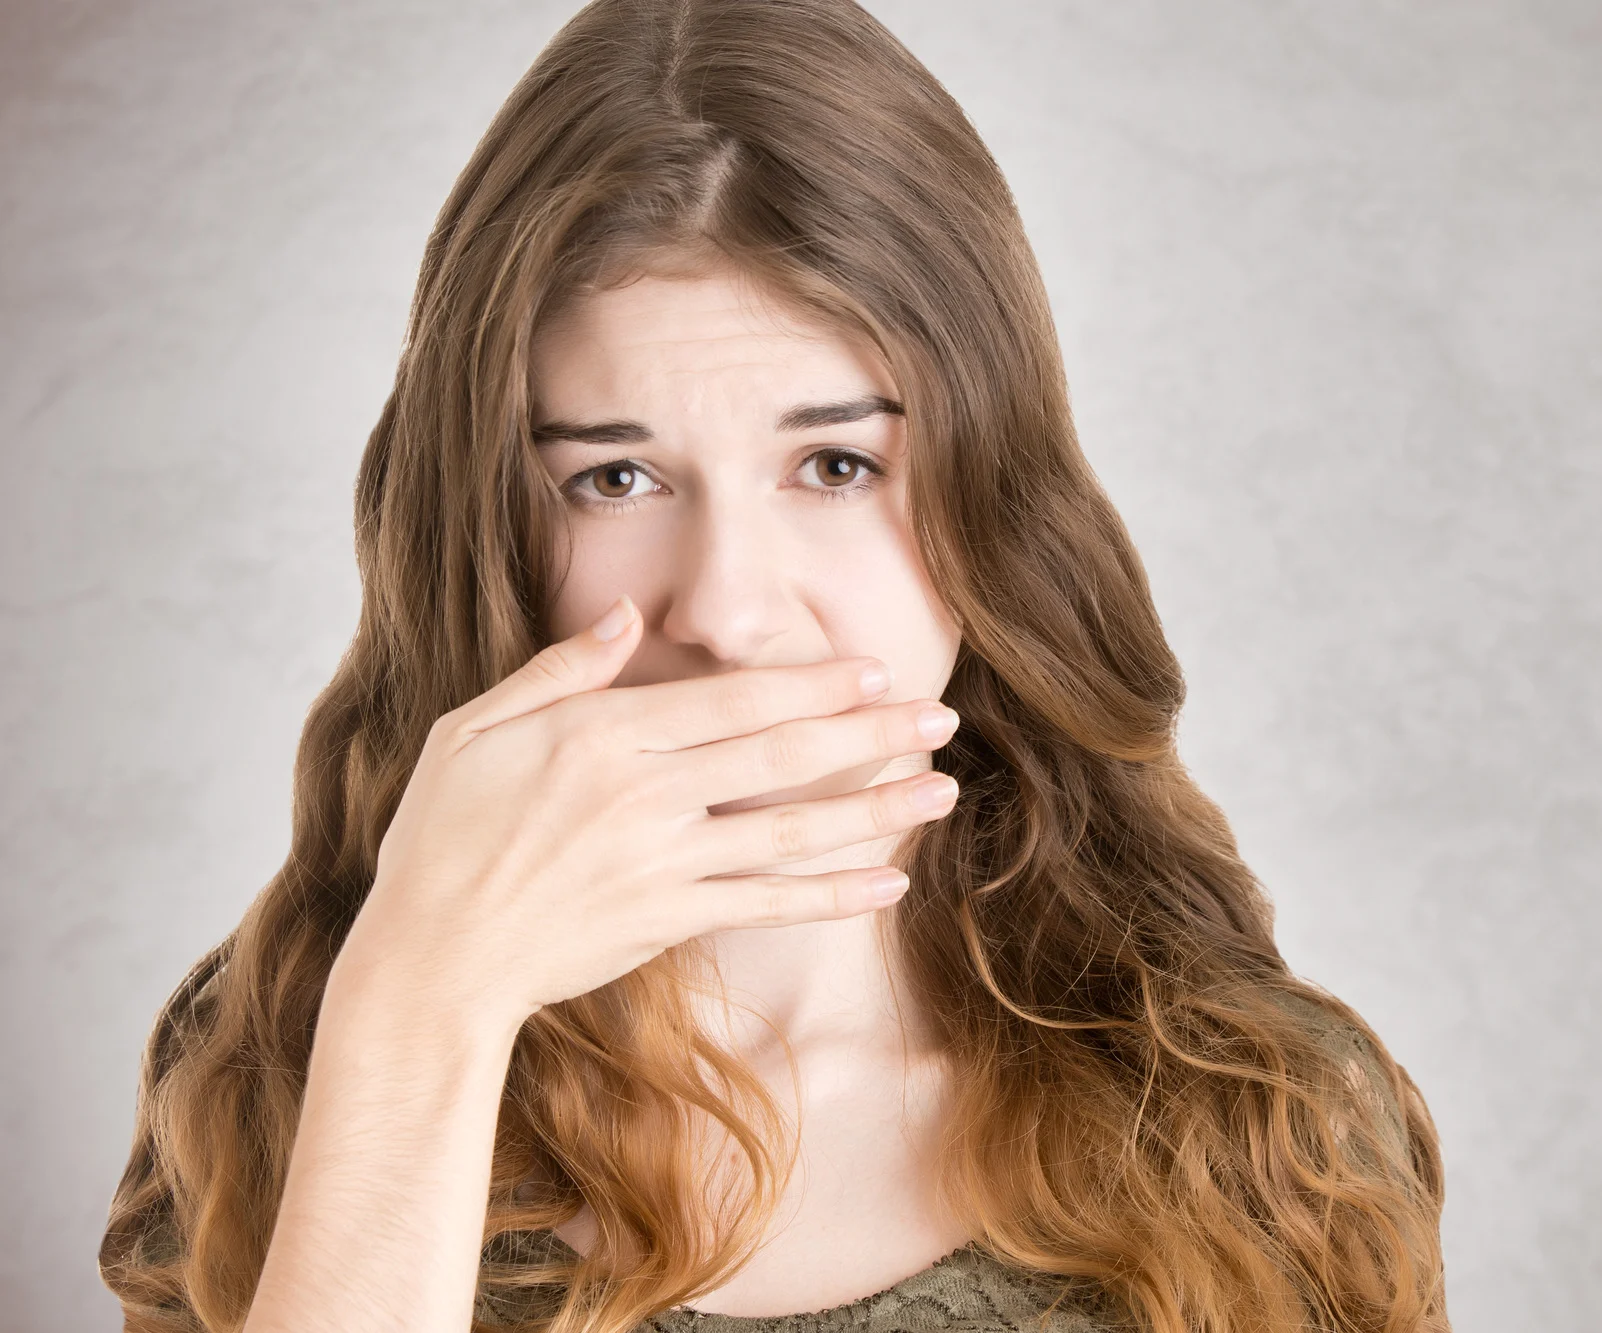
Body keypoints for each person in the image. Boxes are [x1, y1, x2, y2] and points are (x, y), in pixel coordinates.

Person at [97, 1, 1449, 1330]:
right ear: (485, 524)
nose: (730, 612)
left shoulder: (1266, 1120)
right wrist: (416, 1016)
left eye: (837, 465)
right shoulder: (276, 1059)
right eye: (615, 477)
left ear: (996, 500)